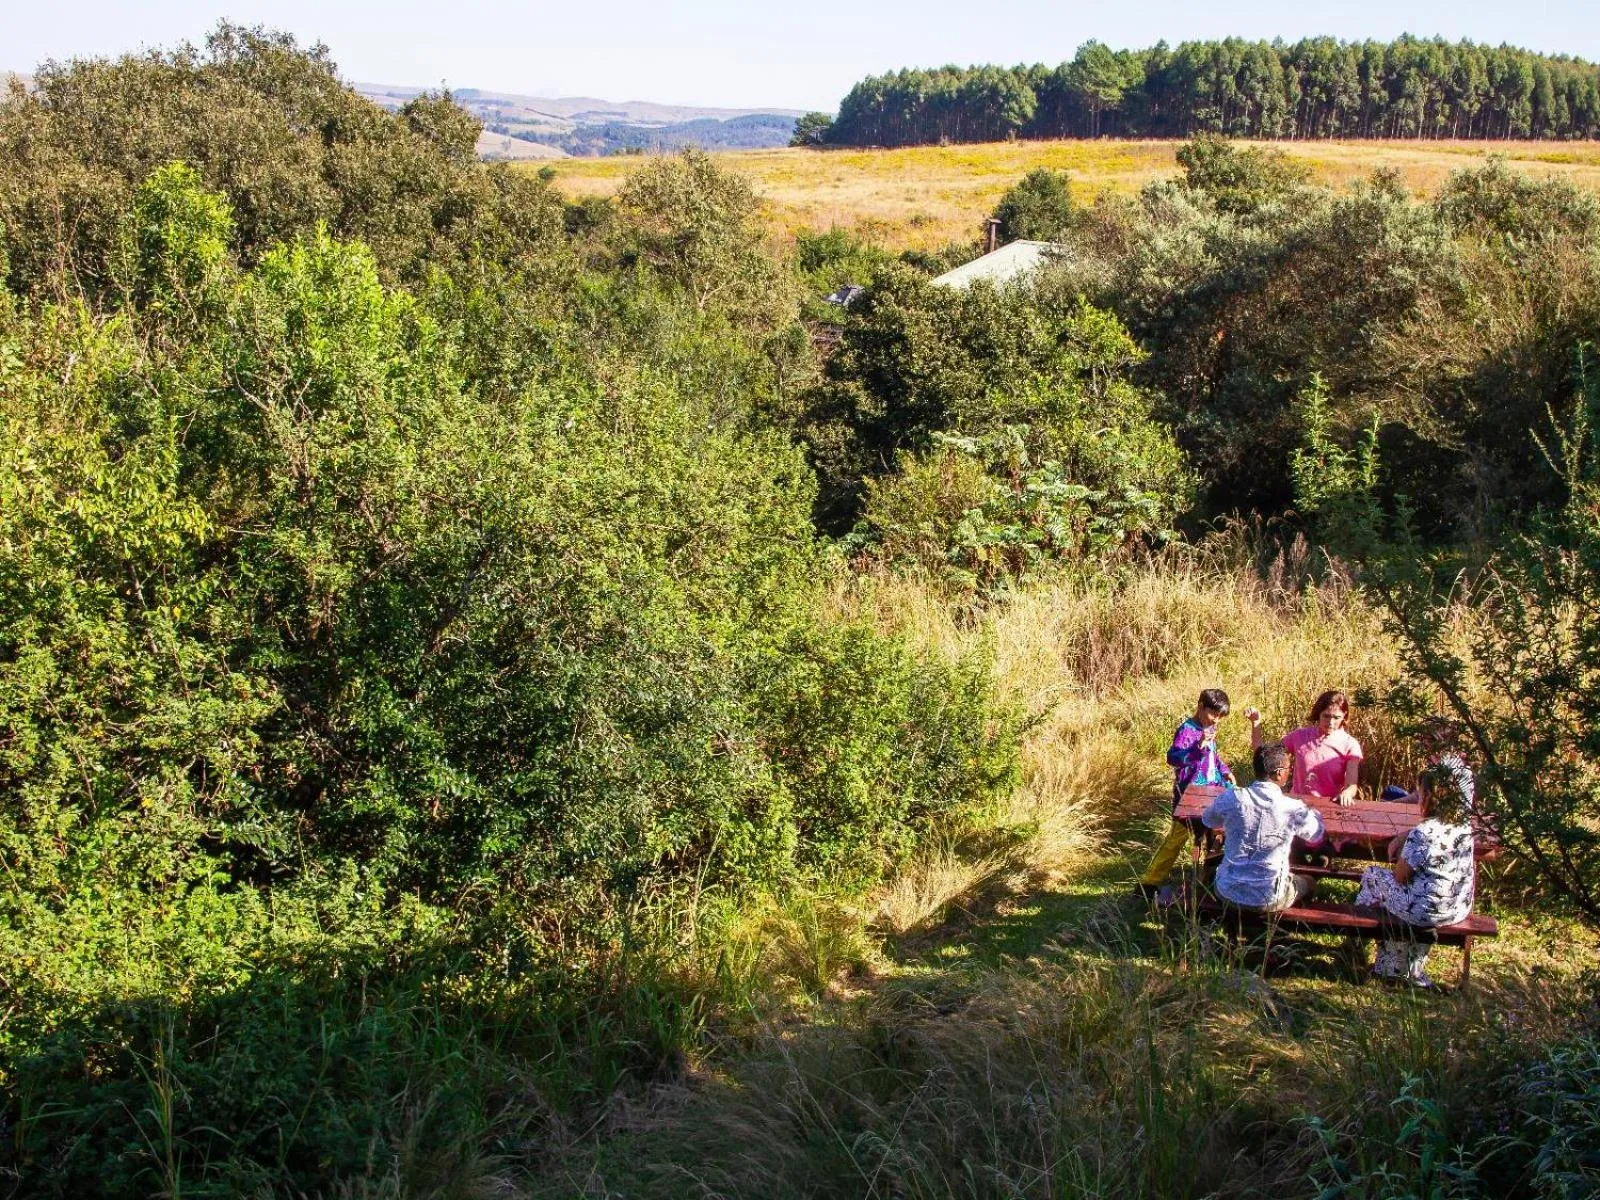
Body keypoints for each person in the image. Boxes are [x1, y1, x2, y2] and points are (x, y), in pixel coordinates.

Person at [1355, 762, 1477, 986]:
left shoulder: (1423, 833)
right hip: (1457, 907)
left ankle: (1362, 950)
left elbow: (1400, 876)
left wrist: (1403, 846)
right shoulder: (1465, 827)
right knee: (1402, 896)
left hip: (1424, 911)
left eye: (1420, 793)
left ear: (1430, 796)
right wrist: (1405, 835)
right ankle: (1402, 966)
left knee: (1372, 876)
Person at [1201, 743, 1326, 912]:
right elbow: (1316, 834)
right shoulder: (1293, 808)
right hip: (1270, 897)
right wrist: (1312, 812)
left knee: (1214, 871)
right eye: (1289, 768)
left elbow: (1208, 820)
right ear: (1280, 773)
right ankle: (1286, 925)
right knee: (1309, 882)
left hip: (1227, 891)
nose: (1290, 772)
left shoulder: (1232, 797)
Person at [1139, 688, 1238, 893]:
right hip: (1188, 797)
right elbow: (1173, 757)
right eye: (1213, 714)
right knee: (1176, 839)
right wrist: (1198, 747)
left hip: (1211, 795)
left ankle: (1208, 881)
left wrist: (1225, 770)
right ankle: (1148, 884)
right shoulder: (1187, 730)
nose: (1216, 720)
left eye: (1220, 717)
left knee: (1214, 838)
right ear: (1200, 706)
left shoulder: (1208, 729)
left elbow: (1213, 757)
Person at [1251, 690, 1364, 807]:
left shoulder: (1350, 745)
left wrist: (1347, 793)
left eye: (1336, 717)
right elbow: (1264, 754)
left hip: (1329, 807)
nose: (1331, 722)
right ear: (1318, 714)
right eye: (1326, 716)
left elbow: (1351, 785)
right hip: (1296, 806)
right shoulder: (1300, 736)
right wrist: (1256, 723)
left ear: (1344, 715)